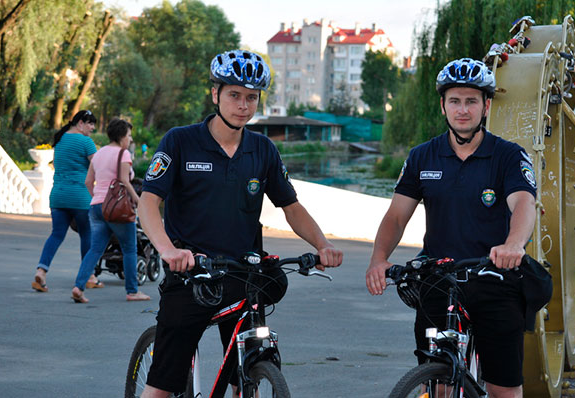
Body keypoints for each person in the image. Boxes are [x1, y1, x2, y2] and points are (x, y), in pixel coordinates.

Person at [137, 49, 343, 397]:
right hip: (192, 274)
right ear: (215, 94)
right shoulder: (181, 141)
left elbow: (290, 206)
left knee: (249, 374)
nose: (243, 105)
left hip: (243, 275)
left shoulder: (263, 150)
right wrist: (168, 250)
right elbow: (148, 202)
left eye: (251, 97)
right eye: (234, 95)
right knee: (161, 386)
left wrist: (321, 245)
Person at [365, 58, 537, 398]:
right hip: (438, 278)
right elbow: (397, 215)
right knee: (439, 384)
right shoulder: (421, 157)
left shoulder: (509, 156)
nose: (463, 109)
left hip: (494, 277)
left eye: (471, 101)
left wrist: (514, 245)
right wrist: (379, 258)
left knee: (503, 389)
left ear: (486, 106)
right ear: (443, 105)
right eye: (454, 101)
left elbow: (523, 204)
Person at [71, 118, 150, 303]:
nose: (130, 140)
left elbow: (88, 182)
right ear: (122, 136)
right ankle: (132, 291)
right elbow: (124, 179)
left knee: (95, 249)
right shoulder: (123, 154)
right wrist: (138, 200)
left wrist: (98, 198)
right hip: (118, 208)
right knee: (130, 249)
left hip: (97, 206)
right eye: (129, 136)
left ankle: (78, 286)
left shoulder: (98, 154)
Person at [32, 110, 104, 292]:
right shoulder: (86, 142)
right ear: (80, 123)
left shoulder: (61, 139)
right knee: (87, 235)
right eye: (90, 124)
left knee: (56, 234)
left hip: (58, 195)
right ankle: (89, 276)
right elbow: (98, 167)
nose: (92, 128)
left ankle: (41, 271)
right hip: (80, 197)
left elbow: (57, 164)